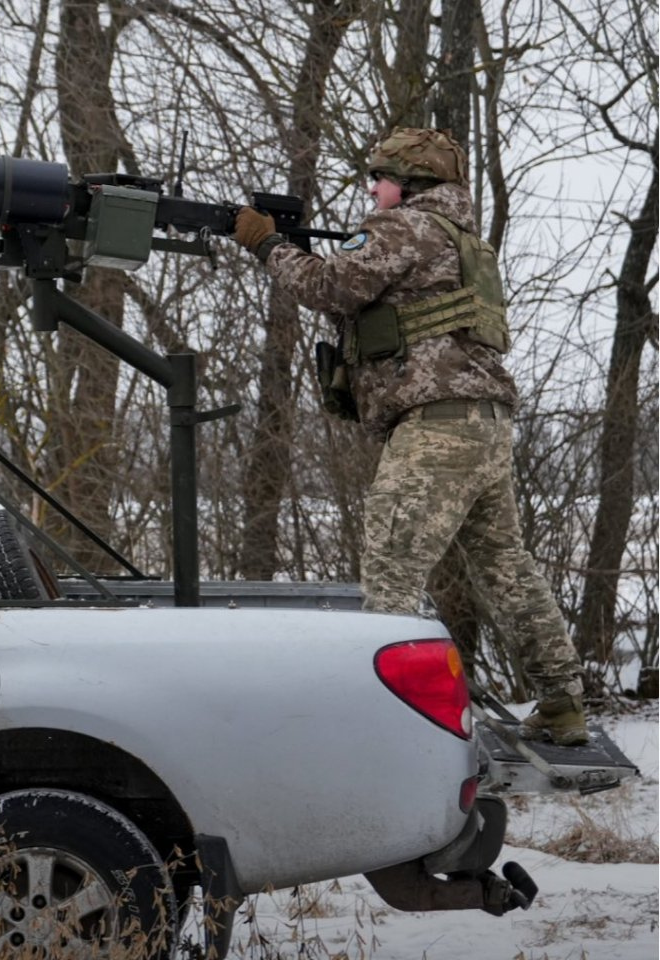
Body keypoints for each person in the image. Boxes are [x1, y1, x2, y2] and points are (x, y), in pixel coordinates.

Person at [233, 127, 589, 745]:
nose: (371, 188)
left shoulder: (403, 230)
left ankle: (384, 720)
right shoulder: (460, 237)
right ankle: (562, 703)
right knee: (505, 566)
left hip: (437, 427)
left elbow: (330, 287)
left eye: (379, 177)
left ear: (411, 182)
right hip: (485, 424)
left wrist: (267, 246)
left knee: (391, 564)